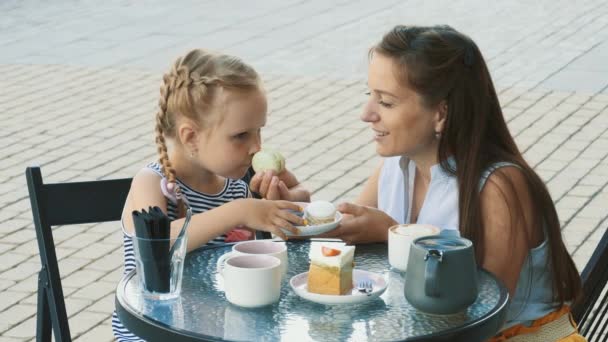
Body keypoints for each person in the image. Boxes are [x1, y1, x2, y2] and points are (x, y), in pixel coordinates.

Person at [324, 25, 584, 340]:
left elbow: (480, 315)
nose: (366, 114)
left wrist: (394, 236)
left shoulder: (500, 186)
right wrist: (294, 210)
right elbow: (346, 241)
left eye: (386, 102)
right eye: (370, 95)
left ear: (441, 113)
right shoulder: (395, 163)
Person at [112, 49, 309, 341]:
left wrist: (291, 201)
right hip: (154, 332)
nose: (256, 146)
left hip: (216, 329)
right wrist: (241, 211)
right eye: (241, 135)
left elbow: (278, 243)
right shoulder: (152, 183)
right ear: (191, 137)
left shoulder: (240, 184)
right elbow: (158, 242)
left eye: (259, 132)